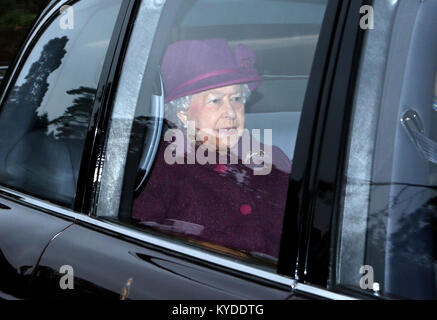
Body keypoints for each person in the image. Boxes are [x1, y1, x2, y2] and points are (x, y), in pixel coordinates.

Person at [132, 38, 291, 259]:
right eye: (215, 101)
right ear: (182, 113)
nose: (231, 112)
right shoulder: (157, 167)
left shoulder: (274, 158)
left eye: (236, 98)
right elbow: (141, 247)